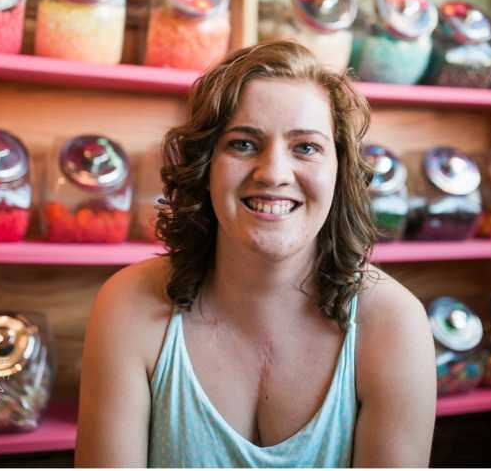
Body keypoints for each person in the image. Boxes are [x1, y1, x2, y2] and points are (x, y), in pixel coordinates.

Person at [75, 41, 436, 468]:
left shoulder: (393, 327)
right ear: (205, 165)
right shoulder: (129, 308)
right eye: (244, 144)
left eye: (306, 147)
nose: (274, 174)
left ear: (340, 171)